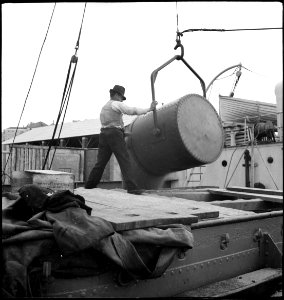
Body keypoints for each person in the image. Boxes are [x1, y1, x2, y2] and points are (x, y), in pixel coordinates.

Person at [85, 84, 157, 194]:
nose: (122, 100)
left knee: (100, 163)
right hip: (114, 134)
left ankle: (89, 185)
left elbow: (110, 125)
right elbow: (131, 110)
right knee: (124, 160)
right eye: (121, 97)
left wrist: (123, 133)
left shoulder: (105, 107)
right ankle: (132, 188)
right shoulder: (116, 103)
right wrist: (149, 109)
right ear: (117, 95)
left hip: (104, 134)